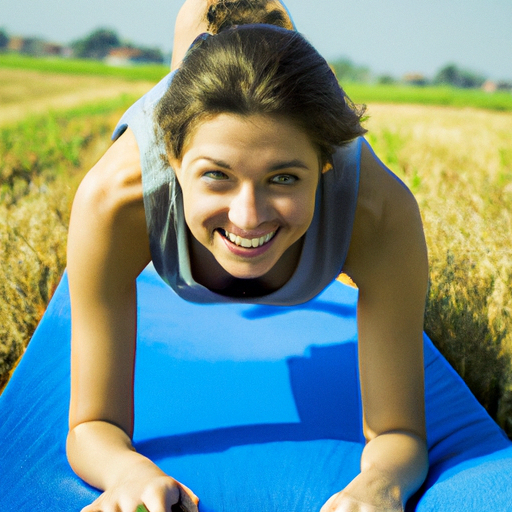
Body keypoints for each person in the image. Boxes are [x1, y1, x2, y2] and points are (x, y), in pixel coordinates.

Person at [66, 1, 429, 511]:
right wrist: (128, 474)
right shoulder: (115, 201)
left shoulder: (378, 214)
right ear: (172, 158)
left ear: (324, 166)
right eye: (217, 174)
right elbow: (90, 425)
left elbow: (400, 433)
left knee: (274, 49)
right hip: (186, 105)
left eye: (284, 178)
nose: (248, 217)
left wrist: (376, 490)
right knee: (200, 24)